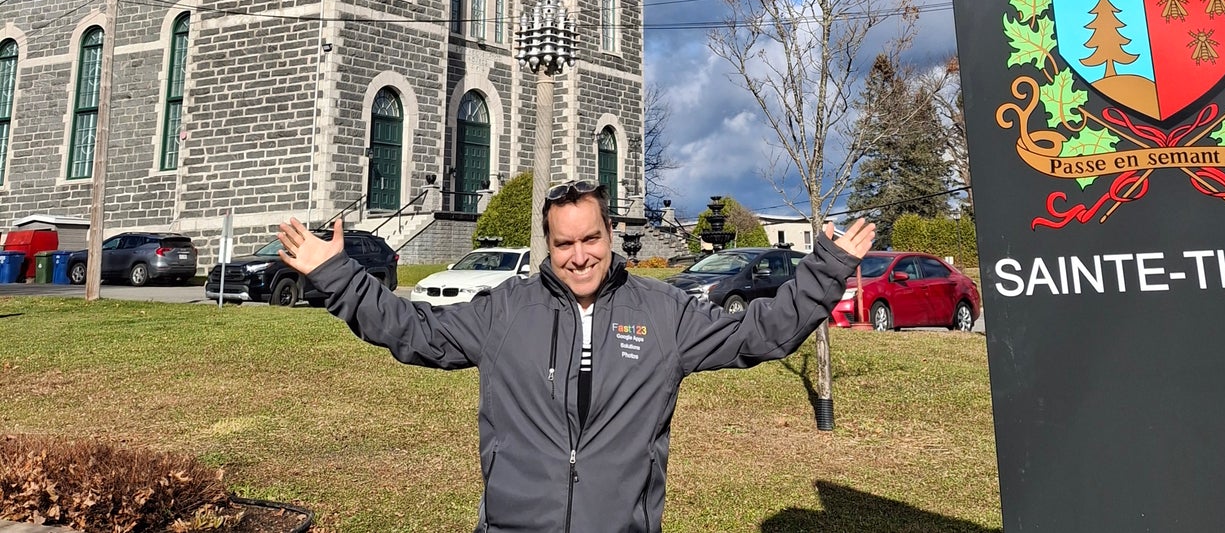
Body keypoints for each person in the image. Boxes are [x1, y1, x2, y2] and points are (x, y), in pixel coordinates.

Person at [277, 182, 873, 533]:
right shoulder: (504, 312)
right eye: (564, 243)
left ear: (609, 233)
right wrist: (337, 276)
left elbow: (758, 335)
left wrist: (824, 272)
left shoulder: (664, 313)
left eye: (590, 238)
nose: (579, 255)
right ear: (548, 244)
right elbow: (412, 331)